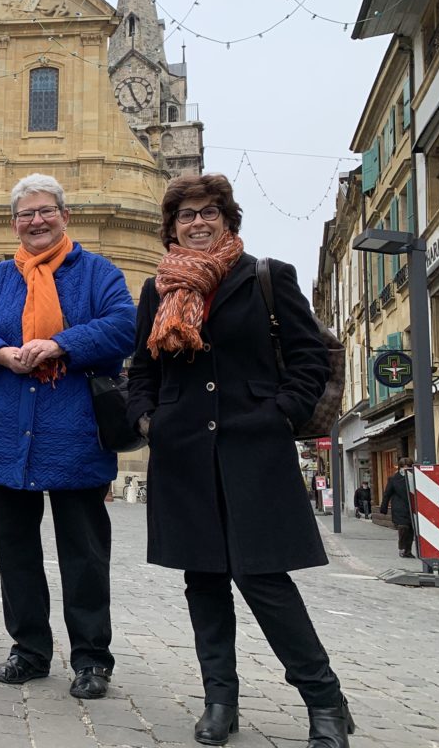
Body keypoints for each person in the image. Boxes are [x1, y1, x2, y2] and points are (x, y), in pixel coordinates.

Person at [126, 173, 352, 747]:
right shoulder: (157, 291)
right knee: (203, 580)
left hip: (255, 447)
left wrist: (281, 412)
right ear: (171, 229)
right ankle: (219, 701)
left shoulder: (266, 277)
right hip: (183, 455)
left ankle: (325, 701)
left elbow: (308, 358)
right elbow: (143, 371)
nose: (198, 223)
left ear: (228, 221)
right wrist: (149, 418)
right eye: (186, 216)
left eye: (209, 213)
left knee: (264, 580)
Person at [0, 173, 135, 698]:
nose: (36, 220)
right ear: (15, 223)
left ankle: (92, 659)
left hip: (74, 434)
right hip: (7, 437)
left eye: (45, 211)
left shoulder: (98, 272)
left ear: (64, 215)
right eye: (26, 214)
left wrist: (59, 344)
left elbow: (124, 325)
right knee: (17, 554)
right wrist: (3, 353)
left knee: (84, 556)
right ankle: (29, 650)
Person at [380, 458, 415, 558]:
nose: (406, 470)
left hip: (412, 508)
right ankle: (402, 548)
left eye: (408, 467)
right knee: (403, 528)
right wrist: (384, 507)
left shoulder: (416, 477)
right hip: (399, 508)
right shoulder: (394, 479)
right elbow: (387, 494)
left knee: (411, 530)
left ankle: (408, 551)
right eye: (404, 468)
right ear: (400, 468)